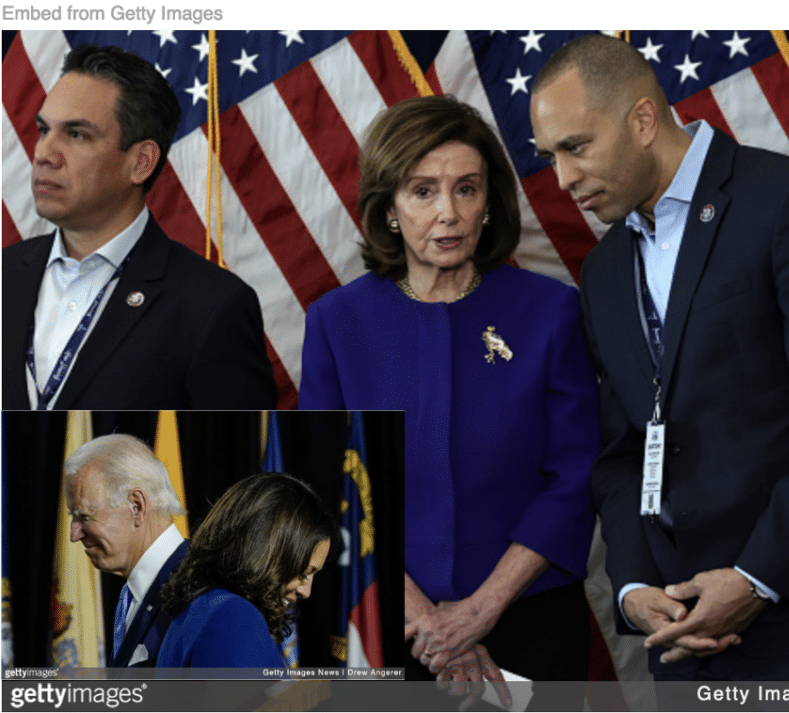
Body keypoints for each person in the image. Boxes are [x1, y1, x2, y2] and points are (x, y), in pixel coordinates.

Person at [530, 34, 789, 682]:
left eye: (576, 146)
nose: (563, 178)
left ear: (644, 119)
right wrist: (632, 588)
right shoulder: (600, 273)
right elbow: (622, 451)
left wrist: (755, 577)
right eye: (550, 156)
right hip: (684, 638)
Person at [299, 96, 599, 699]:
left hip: (528, 615)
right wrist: (427, 622)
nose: (449, 213)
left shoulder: (550, 311)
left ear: (489, 201)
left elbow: (575, 473)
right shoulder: (335, 322)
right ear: (388, 208)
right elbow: (328, 483)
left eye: (467, 188)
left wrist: (478, 613)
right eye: (423, 192)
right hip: (382, 623)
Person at [2, 43, 275, 409]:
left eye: (76, 134)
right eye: (43, 130)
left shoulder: (212, 307)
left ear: (141, 163)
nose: (43, 154)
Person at [156, 473, 334, 668]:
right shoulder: (235, 618)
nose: (305, 591)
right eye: (303, 573)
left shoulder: (203, 607)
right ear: (267, 551)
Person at [64, 433, 189, 667]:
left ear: (136, 506)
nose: (74, 535)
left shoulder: (201, 595)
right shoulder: (129, 598)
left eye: (84, 516)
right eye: (73, 517)